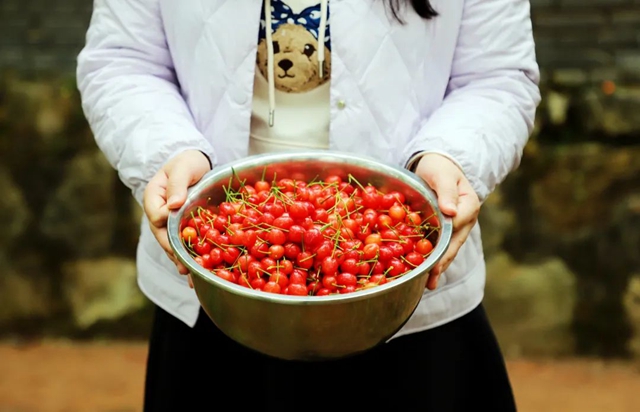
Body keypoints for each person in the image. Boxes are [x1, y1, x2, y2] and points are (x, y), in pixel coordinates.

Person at [77, 0, 540, 410]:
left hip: (407, 294)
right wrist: (169, 153)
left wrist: (451, 157)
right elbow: (123, 60)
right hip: (215, 292)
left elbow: (497, 75)